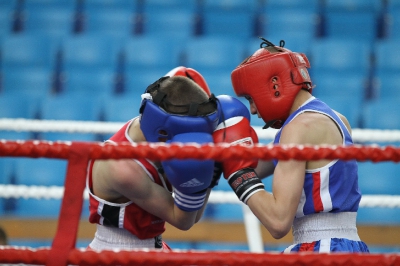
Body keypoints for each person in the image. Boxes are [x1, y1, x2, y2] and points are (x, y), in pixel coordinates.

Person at [213, 38, 369, 253]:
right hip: (351, 246)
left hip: (321, 250)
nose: (253, 111)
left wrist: (237, 175)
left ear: (274, 85)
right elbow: (254, 165)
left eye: (251, 98)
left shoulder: (298, 128)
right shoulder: (338, 119)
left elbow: (278, 221)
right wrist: (220, 159)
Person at [86, 73, 220, 250]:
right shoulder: (122, 166)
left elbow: (193, 216)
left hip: (155, 247)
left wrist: (209, 171)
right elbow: (183, 221)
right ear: (164, 130)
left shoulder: (151, 127)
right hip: (117, 254)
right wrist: (211, 168)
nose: (195, 139)